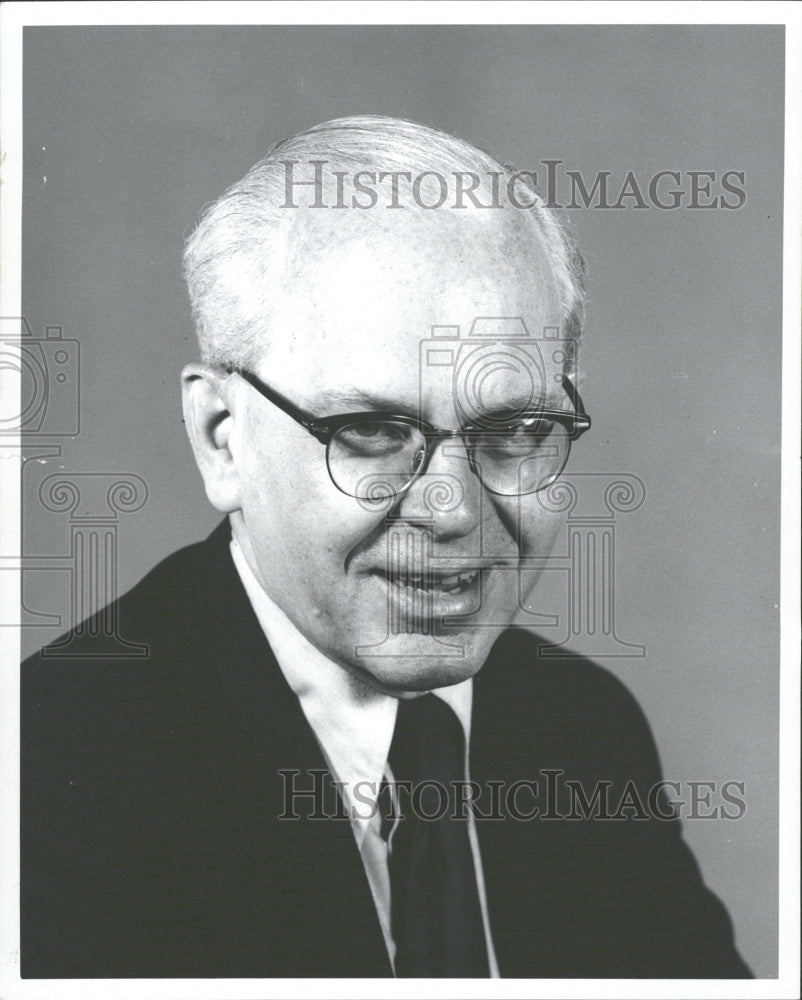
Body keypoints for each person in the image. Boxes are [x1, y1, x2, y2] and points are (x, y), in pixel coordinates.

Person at [21, 116, 751, 979]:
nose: (451, 512)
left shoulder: (582, 727)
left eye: (514, 428)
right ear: (222, 437)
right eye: (369, 431)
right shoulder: (46, 770)